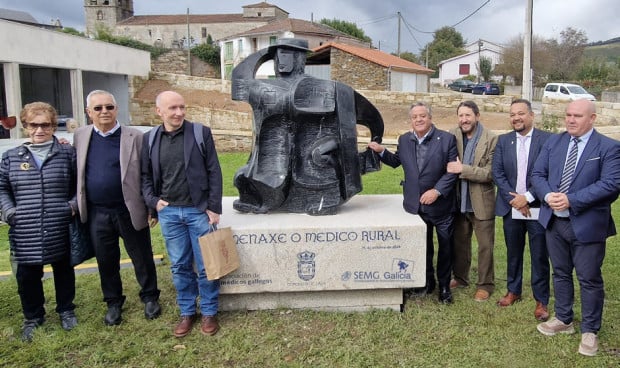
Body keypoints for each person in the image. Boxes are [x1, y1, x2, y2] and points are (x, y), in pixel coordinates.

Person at [531, 99, 620, 357]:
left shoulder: (609, 147)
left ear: (592, 118)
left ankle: (590, 331)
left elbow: (611, 184)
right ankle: (563, 318)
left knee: (589, 278)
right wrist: (548, 196)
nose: (571, 120)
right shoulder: (554, 142)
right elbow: (537, 174)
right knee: (560, 273)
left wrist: (572, 199)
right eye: (568, 115)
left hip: (587, 224)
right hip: (554, 221)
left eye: (578, 116)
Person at [74, 90, 161, 326]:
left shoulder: (135, 136)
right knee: (106, 259)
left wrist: (152, 208)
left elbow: (148, 174)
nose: (104, 112)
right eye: (98, 108)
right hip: (97, 212)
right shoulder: (80, 136)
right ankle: (113, 302)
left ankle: (150, 296)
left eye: (109, 107)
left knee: (141, 256)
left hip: (129, 209)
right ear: (88, 112)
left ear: (116, 109)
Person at [141, 90, 223, 337]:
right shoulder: (149, 139)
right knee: (179, 266)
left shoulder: (200, 133)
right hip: (169, 213)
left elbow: (214, 171)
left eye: (182, 107)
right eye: (172, 108)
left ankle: (209, 312)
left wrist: (213, 207)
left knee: (208, 264)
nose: (178, 113)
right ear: (159, 111)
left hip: (198, 211)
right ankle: (187, 312)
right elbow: (145, 177)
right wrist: (154, 202)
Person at [0, 102, 78, 341]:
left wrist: (71, 207)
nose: (39, 130)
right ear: (25, 126)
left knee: (63, 270)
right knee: (27, 275)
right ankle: (33, 316)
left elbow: (79, 185)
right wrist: (9, 212)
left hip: (58, 223)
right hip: (24, 228)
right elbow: (2, 188)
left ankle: (66, 310)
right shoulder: (11, 157)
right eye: (34, 125)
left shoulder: (66, 153)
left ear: (53, 126)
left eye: (45, 125)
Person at [368, 102, 458, 304]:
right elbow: (397, 161)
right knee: (423, 247)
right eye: (415, 117)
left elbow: (453, 171)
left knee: (445, 248)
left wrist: (436, 191)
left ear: (430, 117)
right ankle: (426, 283)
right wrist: (381, 151)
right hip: (416, 207)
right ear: (411, 120)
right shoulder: (404, 139)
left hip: (441, 207)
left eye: (422, 116)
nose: (418, 119)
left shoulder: (447, 139)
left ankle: (444, 287)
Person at [492, 99, 552, 320]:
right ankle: (513, 290)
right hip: (511, 209)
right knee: (513, 253)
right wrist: (516, 200)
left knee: (539, 255)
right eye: (512, 114)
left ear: (531, 115)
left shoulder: (547, 140)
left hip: (538, 209)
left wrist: (527, 197)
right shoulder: (503, 140)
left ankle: (541, 300)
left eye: (520, 113)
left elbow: (548, 174)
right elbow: (498, 173)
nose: (516, 118)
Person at [447, 100, 497, 302]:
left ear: (477, 116)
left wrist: (463, 170)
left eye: (468, 115)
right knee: (460, 243)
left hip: (481, 201)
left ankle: (485, 284)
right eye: (461, 116)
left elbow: (491, 173)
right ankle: (460, 277)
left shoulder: (492, 139)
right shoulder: (452, 135)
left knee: (485, 246)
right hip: (458, 199)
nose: (464, 120)